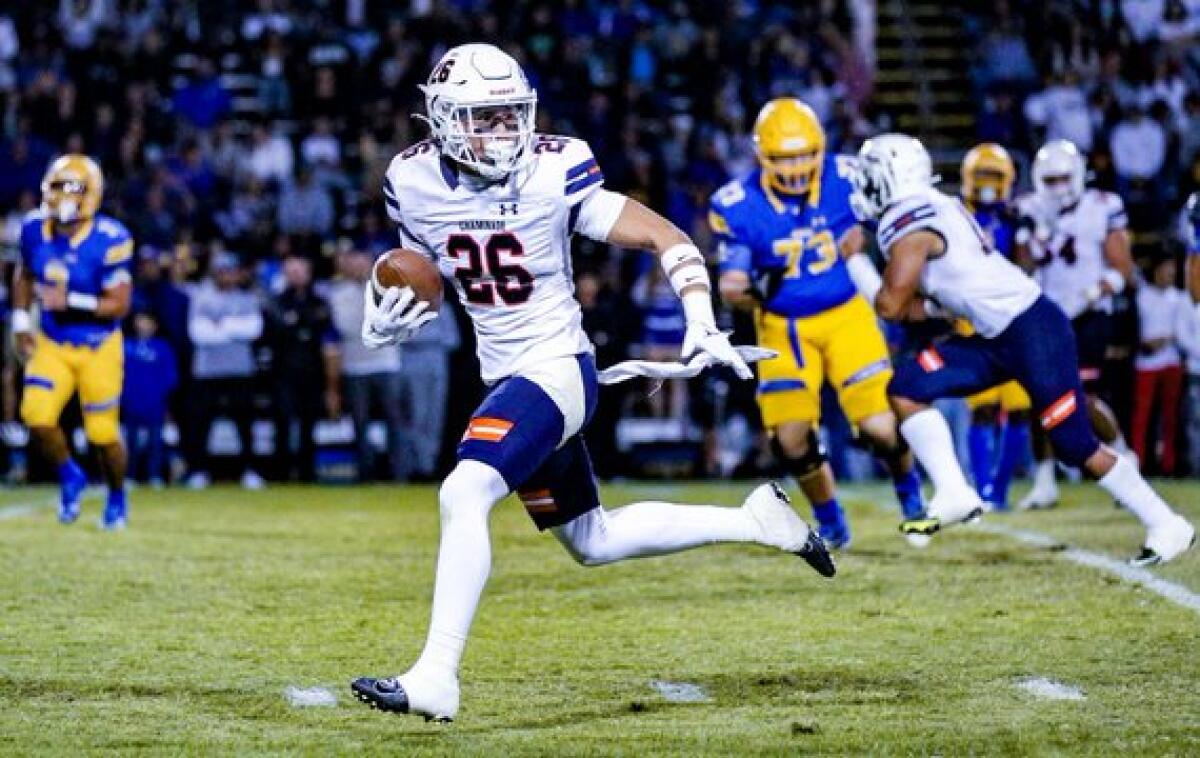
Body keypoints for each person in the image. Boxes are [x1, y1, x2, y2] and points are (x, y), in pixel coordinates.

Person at [349, 44, 834, 723]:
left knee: (464, 491)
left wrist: (699, 316)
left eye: (510, 115)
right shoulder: (411, 181)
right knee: (591, 540)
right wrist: (394, 307)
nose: (503, 132)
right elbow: (422, 269)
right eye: (483, 119)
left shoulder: (554, 170)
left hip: (556, 367)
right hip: (505, 370)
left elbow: (666, 237)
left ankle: (436, 676)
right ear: (444, 122)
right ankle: (756, 521)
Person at [842, 132, 1194, 567]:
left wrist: (856, 262)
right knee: (908, 386)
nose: (864, 188)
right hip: (997, 337)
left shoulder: (910, 215)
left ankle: (1166, 523)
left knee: (1073, 443)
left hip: (1033, 330)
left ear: (890, 177)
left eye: (869, 176)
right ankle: (953, 490)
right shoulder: (934, 204)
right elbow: (917, 305)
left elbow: (892, 306)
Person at [709, 98, 924, 549]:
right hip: (783, 327)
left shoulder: (847, 178)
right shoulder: (739, 203)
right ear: (763, 156)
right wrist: (747, 289)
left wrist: (868, 238)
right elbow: (731, 284)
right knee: (790, 439)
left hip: (847, 315)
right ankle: (831, 520)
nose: (796, 166)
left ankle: (911, 496)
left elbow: (899, 218)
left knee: (880, 427)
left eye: (804, 154)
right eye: (784, 157)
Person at [1013, 140, 1136, 510]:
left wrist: (1088, 294)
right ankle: (1045, 480)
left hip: (1089, 314)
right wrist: (1033, 234)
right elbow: (1024, 266)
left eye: (1063, 178)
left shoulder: (1104, 206)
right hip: (1046, 314)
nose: (1057, 187)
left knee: (1083, 397)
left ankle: (1125, 460)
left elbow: (1123, 270)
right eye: (1049, 180)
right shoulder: (1029, 208)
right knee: (1039, 396)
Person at [12, 154, 133, 528]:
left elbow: (120, 305)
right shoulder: (33, 228)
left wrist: (74, 301)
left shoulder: (110, 238)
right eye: (59, 187)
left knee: (102, 434)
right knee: (36, 416)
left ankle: (116, 494)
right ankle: (70, 474)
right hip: (53, 340)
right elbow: (23, 275)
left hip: (98, 344)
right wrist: (20, 321)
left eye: (73, 189)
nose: (63, 197)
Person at [957, 144, 1032, 510]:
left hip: (1013, 317)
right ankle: (983, 488)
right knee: (983, 407)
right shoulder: (955, 215)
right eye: (982, 177)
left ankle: (998, 491)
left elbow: (1027, 267)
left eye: (994, 177)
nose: (987, 186)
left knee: (1018, 408)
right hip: (974, 317)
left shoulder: (1016, 218)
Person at [185, 251, 266, 489]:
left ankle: (250, 471)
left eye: (231, 271)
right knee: (201, 424)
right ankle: (198, 471)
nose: (227, 276)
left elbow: (254, 330)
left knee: (245, 424)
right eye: (222, 271)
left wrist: (221, 326)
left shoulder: (247, 298)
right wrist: (234, 327)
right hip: (207, 373)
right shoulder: (201, 297)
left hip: (240, 371)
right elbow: (199, 334)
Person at [328, 246, 408, 481]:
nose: (359, 268)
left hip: (387, 364)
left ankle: (399, 474)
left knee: (395, 422)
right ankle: (366, 474)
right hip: (355, 367)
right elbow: (346, 326)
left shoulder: (389, 290)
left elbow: (396, 323)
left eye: (363, 263)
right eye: (353, 264)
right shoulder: (338, 293)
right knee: (359, 423)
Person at [266, 254, 340, 482]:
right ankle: (281, 473)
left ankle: (307, 473)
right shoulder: (276, 301)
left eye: (301, 271)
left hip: (312, 371)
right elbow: (276, 332)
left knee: (309, 424)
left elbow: (326, 334)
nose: (297, 275)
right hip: (283, 372)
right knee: (283, 422)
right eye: (293, 271)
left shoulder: (319, 301)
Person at [1131, 256, 1185, 474]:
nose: (1168, 275)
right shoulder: (1143, 297)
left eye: (1172, 271)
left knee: (1170, 417)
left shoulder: (1179, 298)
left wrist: (1166, 341)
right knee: (1141, 417)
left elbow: (1181, 331)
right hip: (1146, 364)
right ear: (1155, 272)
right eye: (1165, 270)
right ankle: (1138, 462)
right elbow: (1135, 330)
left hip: (1171, 362)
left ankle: (1168, 465)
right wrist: (1145, 343)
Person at [122, 308, 177, 486]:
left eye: (148, 321)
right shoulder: (126, 346)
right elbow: (118, 373)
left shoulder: (162, 347)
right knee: (131, 443)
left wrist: (162, 397)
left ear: (155, 325)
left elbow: (170, 376)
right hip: (131, 403)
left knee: (155, 443)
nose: (144, 325)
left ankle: (154, 475)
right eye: (141, 320)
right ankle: (130, 475)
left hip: (155, 403)